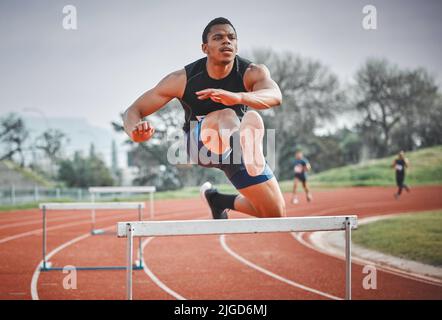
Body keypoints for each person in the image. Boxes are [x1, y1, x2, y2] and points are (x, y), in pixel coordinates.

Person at [123, 17, 286, 219]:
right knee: (226, 114)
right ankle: (246, 145)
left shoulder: (251, 72)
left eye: (231, 37)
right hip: (200, 145)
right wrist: (134, 132)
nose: (226, 41)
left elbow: (275, 96)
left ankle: (217, 200)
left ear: (236, 44)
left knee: (274, 213)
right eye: (218, 37)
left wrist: (238, 97)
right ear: (205, 48)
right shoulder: (182, 79)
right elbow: (133, 110)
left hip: (236, 151)